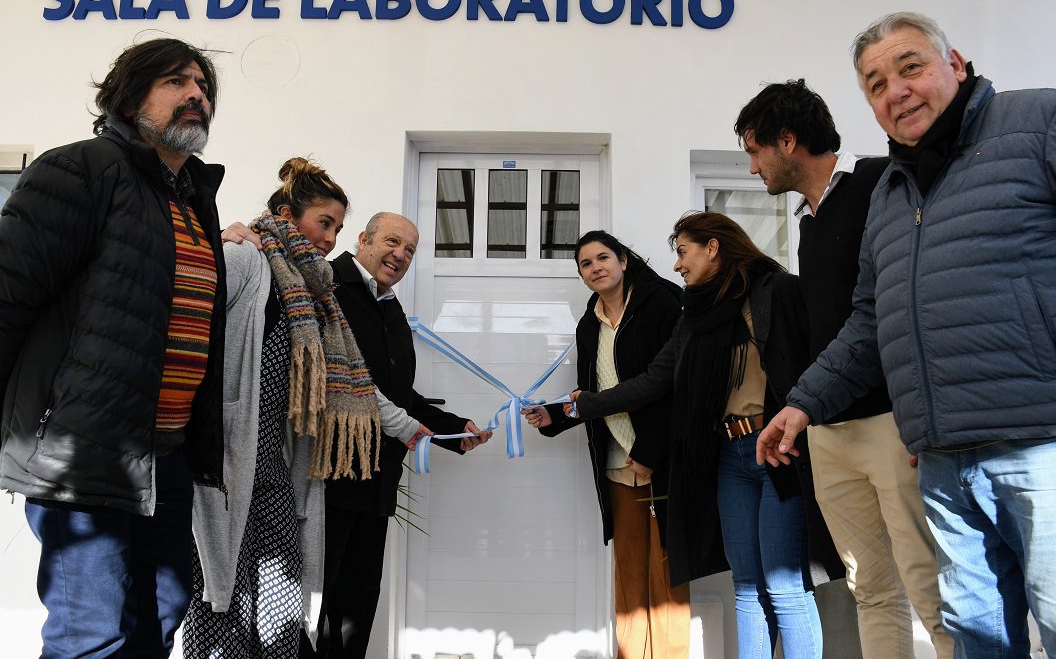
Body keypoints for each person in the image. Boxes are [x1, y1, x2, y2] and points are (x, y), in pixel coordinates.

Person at [757, 11, 1056, 657]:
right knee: (970, 626)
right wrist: (803, 403)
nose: (894, 90)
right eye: (875, 83)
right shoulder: (895, 192)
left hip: (1028, 444)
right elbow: (871, 319)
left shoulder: (1035, 124)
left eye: (911, 67)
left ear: (957, 65)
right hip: (940, 450)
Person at [0, 39, 225, 656]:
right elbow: (7, 296)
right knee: (89, 634)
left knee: (159, 616)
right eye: (177, 82)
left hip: (166, 456)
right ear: (130, 97)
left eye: (204, 87)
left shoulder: (191, 201)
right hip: (85, 451)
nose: (196, 95)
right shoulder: (80, 170)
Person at [735, 80, 952, 659]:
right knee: (872, 590)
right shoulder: (807, 220)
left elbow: (909, 307)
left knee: (931, 585)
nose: (754, 169)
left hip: (893, 424)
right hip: (828, 431)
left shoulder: (883, 182)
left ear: (788, 140)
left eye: (756, 152)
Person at [184, 159, 427, 657]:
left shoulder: (317, 296)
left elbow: (353, 382)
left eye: (336, 227)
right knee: (218, 602)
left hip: (278, 468)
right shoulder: (246, 259)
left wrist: (406, 426)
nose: (330, 238)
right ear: (286, 213)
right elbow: (187, 308)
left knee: (280, 613)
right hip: (229, 463)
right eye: (324, 223)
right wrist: (213, 239)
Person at [571, 212, 841, 659]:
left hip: (777, 452)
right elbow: (657, 379)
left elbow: (816, 363)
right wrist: (582, 404)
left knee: (786, 585)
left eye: (682, 251)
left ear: (711, 248)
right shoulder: (694, 315)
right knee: (747, 585)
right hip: (729, 457)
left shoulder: (777, 291)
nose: (677, 264)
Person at [223, 211, 492, 658]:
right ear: (364, 239)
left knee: (354, 612)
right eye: (392, 241)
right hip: (327, 478)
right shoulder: (328, 287)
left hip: (378, 482)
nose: (400, 254)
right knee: (297, 610)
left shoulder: (392, 310)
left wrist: (452, 430)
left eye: (409, 250)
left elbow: (395, 395)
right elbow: (327, 378)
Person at [524, 230, 689, 658]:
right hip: (617, 463)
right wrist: (554, 417)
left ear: (623, 261)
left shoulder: (662, 303)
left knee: (667, 577)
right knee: (629, 573)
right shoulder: (587, 324)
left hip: (661, 460)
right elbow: (591, 394)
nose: (595, 267)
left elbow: (673, 385)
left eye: (603, 258)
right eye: (585, 263)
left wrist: (651, 452)